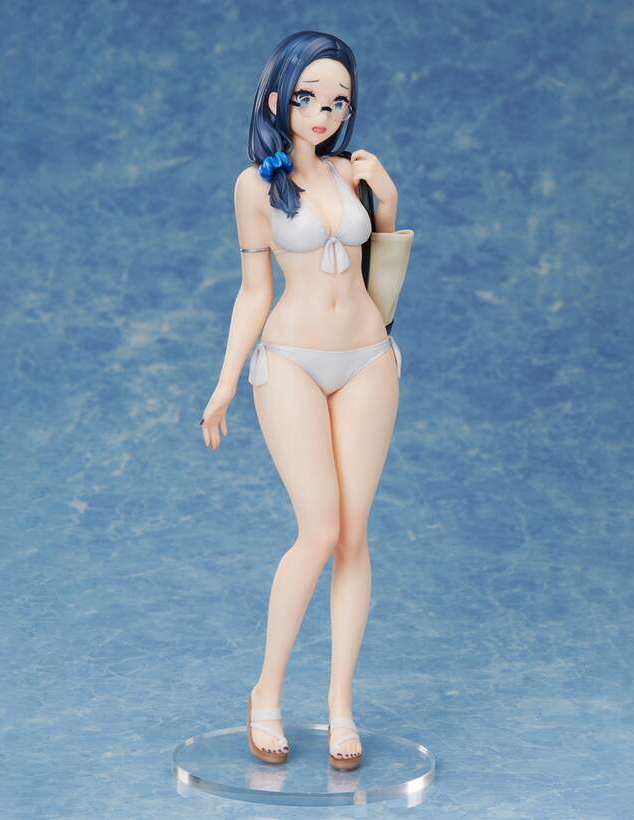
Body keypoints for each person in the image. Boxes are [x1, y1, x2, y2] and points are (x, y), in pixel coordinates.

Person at [200, 30, 403, 771]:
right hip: (289, 361)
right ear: (275, 98)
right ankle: (266, 693)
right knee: (317, 530)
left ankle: (341, 706)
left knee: (354, 535)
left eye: (337, 101)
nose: (323, 113)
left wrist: (386, 201)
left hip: (369, 359)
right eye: (308, 97)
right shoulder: (255, 187)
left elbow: (381, 265)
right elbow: (253, 292)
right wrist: (226, 381)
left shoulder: (353, 171)